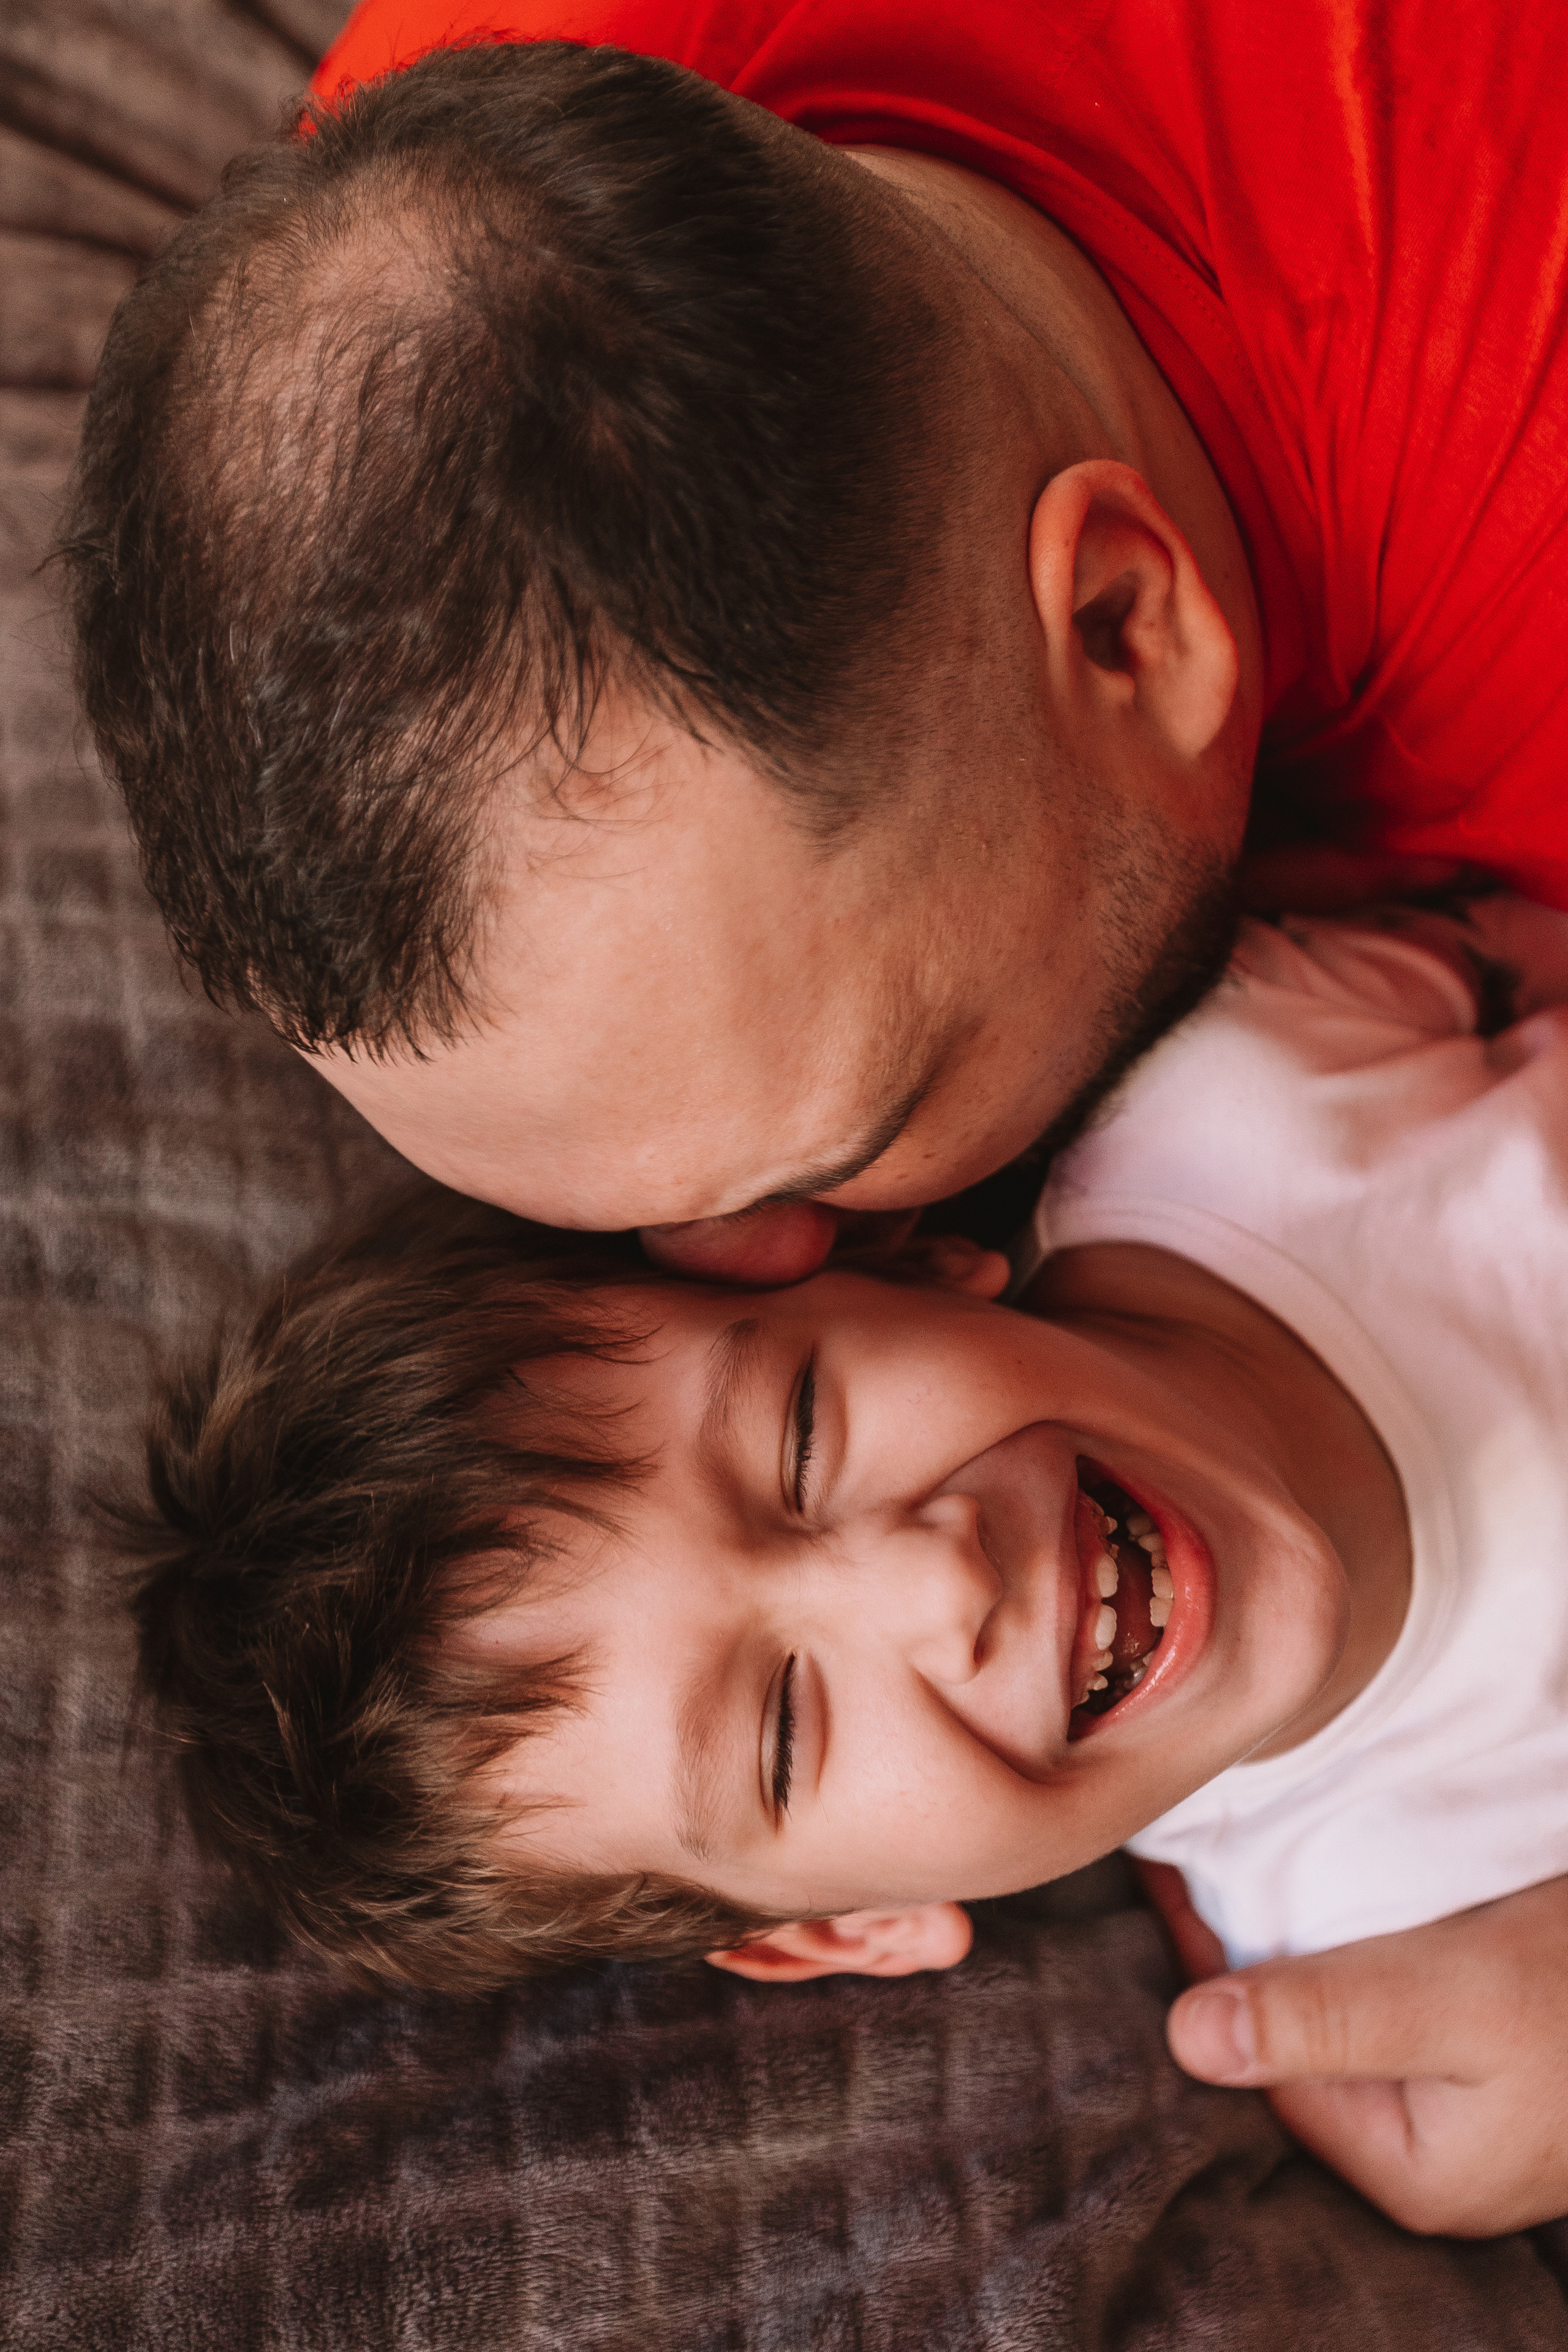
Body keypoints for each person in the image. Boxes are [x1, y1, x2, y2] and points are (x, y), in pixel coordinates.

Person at [61, 0, 1568, 2241]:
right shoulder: (432, 241)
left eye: (824, 1162)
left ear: (1129, 625)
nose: (928, 1561)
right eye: (776, 1733)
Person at [129, 894, 1568, 2234]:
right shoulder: (1417, 1942)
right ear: (845, 1928)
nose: (936, 1583)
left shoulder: (1231, 1084)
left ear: (903, 1266)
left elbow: (1511, 920)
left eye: (803, 1435)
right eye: (782, 1732)